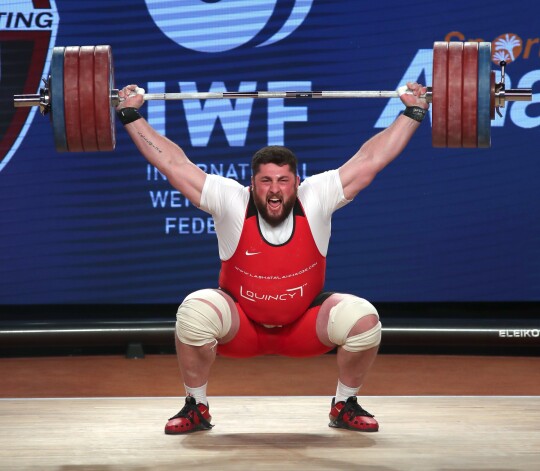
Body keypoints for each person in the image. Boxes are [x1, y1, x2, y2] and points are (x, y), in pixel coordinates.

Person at [116, 82, 429, 434]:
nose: (275, 189)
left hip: (303, 328)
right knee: (194, 310)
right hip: (240, 328)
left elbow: (370, 160)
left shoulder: (318, 196)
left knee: (364, 320)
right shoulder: (232, 200)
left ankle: (344, 404)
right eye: (266, 181)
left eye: (283, 180)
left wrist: (413, 113)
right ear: (253, 183)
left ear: (297, 182)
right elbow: (173, 164)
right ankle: (196, 406)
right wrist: (131, 115)